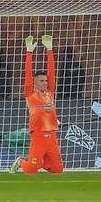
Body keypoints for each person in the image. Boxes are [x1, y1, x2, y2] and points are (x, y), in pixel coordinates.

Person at [11, 34, 63, 174]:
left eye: (46, 81)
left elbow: (52, 74)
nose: (45, 83)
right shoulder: (30, 94)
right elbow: (27, 74)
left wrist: (50, 50)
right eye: (41, 81)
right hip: (38, 136)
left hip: (52, 136)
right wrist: (29, 52)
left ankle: (41, 162)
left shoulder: (50, 92)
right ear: (34, 82)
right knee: (31, 170)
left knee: (58, 170)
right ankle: (21, 161)